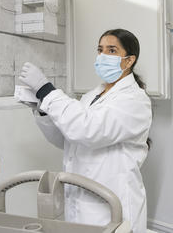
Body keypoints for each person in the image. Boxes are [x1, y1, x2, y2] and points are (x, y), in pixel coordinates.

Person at [19, 28, 152, 233]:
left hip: (112, 206)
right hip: (80, 202)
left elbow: (88, 130)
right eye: (100, 50)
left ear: (129, 60)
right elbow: (68, 139)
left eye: (112, 50)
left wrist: (47, 90)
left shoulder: (135, 100)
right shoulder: (92, 95)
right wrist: (42, 111)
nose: (102, 56)